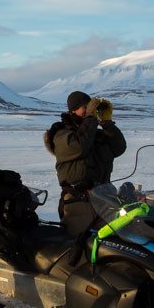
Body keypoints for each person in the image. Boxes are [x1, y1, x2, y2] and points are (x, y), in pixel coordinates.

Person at [43, 90, 126, 235]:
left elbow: (118, 148)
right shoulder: (61, 134)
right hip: (78, 202)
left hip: (104, 198)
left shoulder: (93, 133)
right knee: (77, 247)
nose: (90, 110)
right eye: (86, 107)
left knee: (111, 245)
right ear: (73, 110)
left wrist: (106, 123)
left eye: (91, 107)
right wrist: (90, 119)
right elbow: (80, 146)